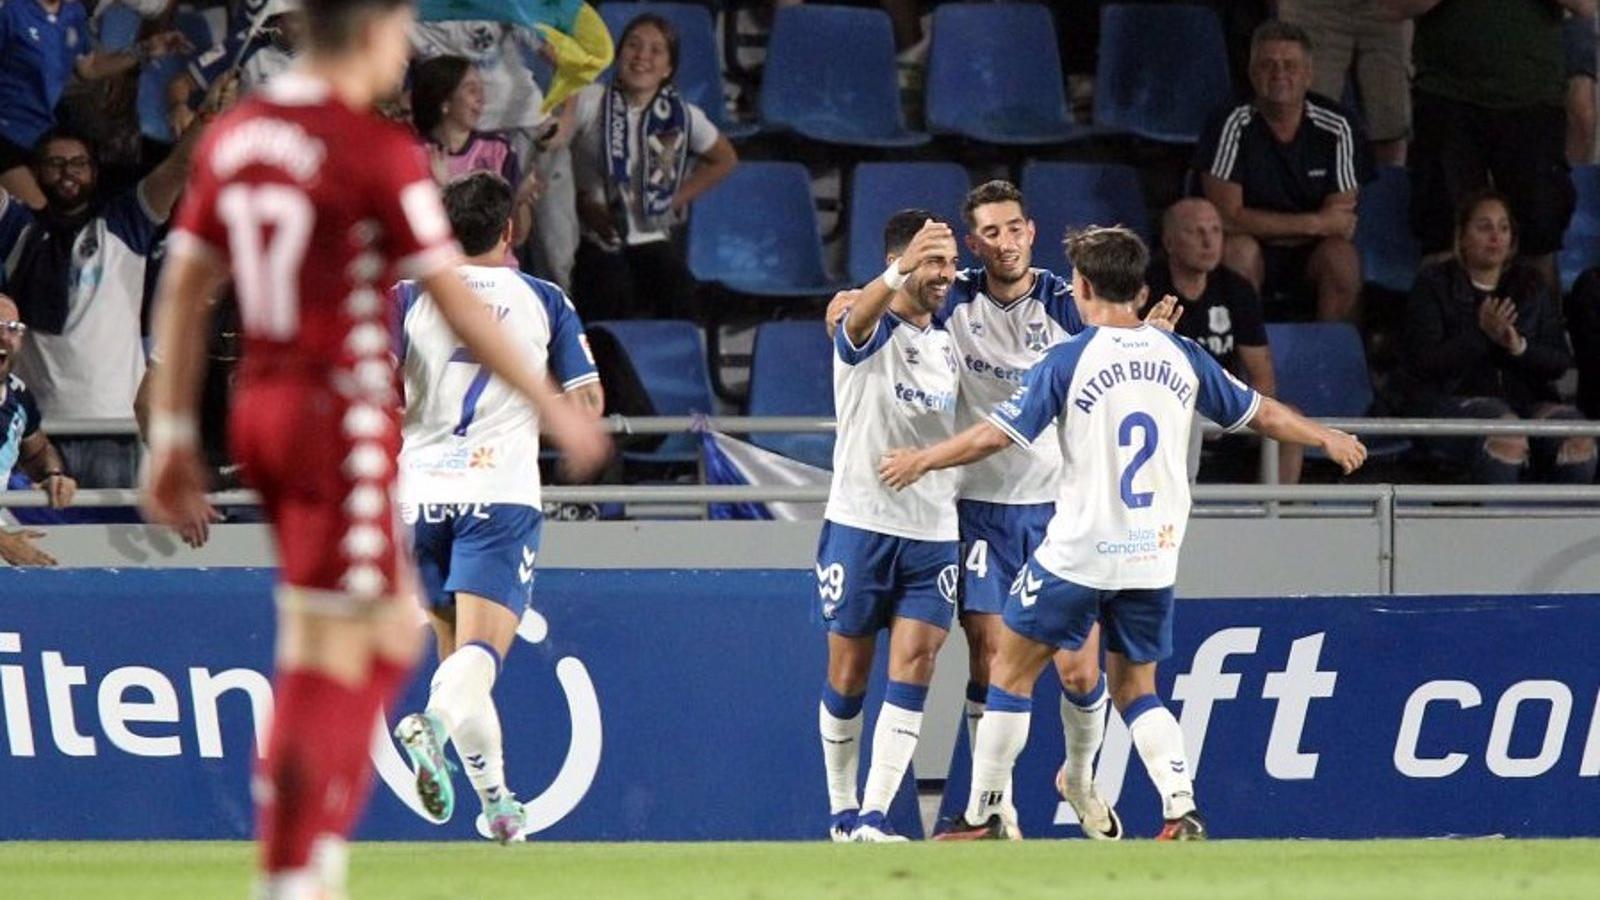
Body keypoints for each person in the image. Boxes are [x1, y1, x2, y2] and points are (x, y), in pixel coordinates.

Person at [140, 1, 609, 897]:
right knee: (360, 645)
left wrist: (169, 432)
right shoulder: (373, 150)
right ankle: (295, 871)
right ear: (376, 32)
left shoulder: (241, 136)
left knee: (348, 629)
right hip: (336, 420)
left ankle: (342, 848)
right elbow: (460, 296)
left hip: (261, 409)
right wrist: (554, 407)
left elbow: (190, 280)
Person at [879, 226, 1366, 841]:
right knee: (1137, 689)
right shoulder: (1182, 356)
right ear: (1140, 288)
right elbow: (1260, 412)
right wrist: (1324, 436)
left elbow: (995, 435)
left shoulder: (1070, 358)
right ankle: (1180, 807)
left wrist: (923, 459)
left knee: (1009, 674)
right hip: (1152, 557)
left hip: (1078, 553)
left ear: (1081, 286)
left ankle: (984, 812)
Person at [824, 181, 1182, 840]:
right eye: (990, 232)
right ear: (973, 243)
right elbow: (881, 307)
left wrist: (1145, 340)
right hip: (979, 508)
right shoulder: (952, 297)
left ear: (1030, 231)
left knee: (1079, 669)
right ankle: (994, 810)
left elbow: (1113, 339)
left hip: (1056, 509)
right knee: (990, 657)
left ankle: (1080, 778)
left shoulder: (1059, 299)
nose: (1005, 242)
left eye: (1013, 228)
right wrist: (850, 303)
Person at [390, 171, 602, 844]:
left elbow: (374, 392)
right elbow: (587, 402)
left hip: (419, 494)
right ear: (510, 231)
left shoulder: (404, 298)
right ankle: (432, 726)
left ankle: (498, 801)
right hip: (498, 493)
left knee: (458, 658)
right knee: (482, 651)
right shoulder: (543, 299)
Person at [814, 210, 959, 843]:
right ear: (900, 263)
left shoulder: (949, 342)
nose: (945, 276)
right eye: (933, 262)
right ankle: (842, 811)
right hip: (860, 523)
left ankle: (874, 814)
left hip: (933, 531)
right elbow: (853, 325)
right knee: (848, 674)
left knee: (917, 662)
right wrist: (894, 275)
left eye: (950, 264)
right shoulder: (865, 326)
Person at [0, 122, 203, 488]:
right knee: (39, 545)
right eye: (55, 163)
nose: (67, 173)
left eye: (78, 163)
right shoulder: (17, 230)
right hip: (35, 436)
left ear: (95, 171)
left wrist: (208, 113)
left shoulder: (126, 222)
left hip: (114, 431)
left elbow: (180, 166)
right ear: (35, 172)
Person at [1384, 0, 1589, 286]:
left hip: (1532, 98)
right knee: (1443, 230)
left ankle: (1539, 328)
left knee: (1539, 234)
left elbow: (1586, 5)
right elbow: (1394, 7)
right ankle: (1440, 327)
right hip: (1447, 97)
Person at [1400, 191, 1596, 484]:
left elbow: (1558, 361)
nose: (1496, 236)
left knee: (1578, 439)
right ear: (1462, 237)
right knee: (1507, 436)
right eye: (1484, 227)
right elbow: (1424, 363)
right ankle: (1495, 524)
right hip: (1451, 402)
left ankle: (1570, 527)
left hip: (1525, 402)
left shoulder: (1530, 285)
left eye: (1503, 228)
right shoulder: (1434, 283)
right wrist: (1482, 335)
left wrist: (1518, 347)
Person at [1196, 20, 1374, 323]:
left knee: (1342, 260)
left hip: (1313, 253)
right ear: (1252, 74)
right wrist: (1314, 224)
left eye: (1290, 65)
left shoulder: (1339, 126)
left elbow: (1340, 221)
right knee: (1237, 254)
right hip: (1249, 246)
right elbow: (1225, 218)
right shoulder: (1229, 124)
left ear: (1308, 75)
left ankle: (1331, 361)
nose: (1279, 74)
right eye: (1268, 65)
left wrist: (1313, 227)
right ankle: (1241, 363)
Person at [570, 13, 737, 321]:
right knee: (610, 284)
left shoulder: (680, 116)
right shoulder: (590, 101)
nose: (642, 56)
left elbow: (725, 159)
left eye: (655, 50)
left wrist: (674, 199)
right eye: (633, 46)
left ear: (667, 69)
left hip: (649, 236)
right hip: (592, 237)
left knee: (680, 291)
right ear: (619, 55)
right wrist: (581, 203)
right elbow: (552, 151)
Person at [1148, 198, 1303, 484]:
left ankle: (1279, 517)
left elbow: (1263, 378)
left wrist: (1229, 413)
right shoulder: (1146, 287)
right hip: (1161, 408)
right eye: (1196, 232)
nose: (1209, 242)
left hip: (1223, 409)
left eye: (1216, 231)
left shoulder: (1237, 289)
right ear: (1169, 242)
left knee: (1290, 420)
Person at [0, 0, 189, 209]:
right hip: (6, 136)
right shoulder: (10, 10)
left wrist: (144, 49)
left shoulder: (73, 12)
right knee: (38, 218)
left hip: (40, 135)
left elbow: (89, 67)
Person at [409, 55, 539, 254]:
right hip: (443, 272)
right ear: (445, 101)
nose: (482, 97)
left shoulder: (498, 149)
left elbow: (518, 236)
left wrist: (519, 202)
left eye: (481, 88)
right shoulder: (413, 154)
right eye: (471, 90)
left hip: (496, 272)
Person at [1277, 0, 1412, 165]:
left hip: (1388, 11)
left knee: (1390, 124)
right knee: (1305, 123)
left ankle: (1390, 187)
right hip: (1312, 10)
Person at [0, 292, 76, 567]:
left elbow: (37, 453)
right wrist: (4, 542)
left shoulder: (19, 397)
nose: (5, 338)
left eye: (13, 329)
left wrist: (53, 474)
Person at [166, 0, 306, 137]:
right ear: (277, 18)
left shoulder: (323, 57)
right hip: (243, 140)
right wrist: (179, 107)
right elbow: (182, 82)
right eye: (296, 18)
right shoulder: (246, 44)